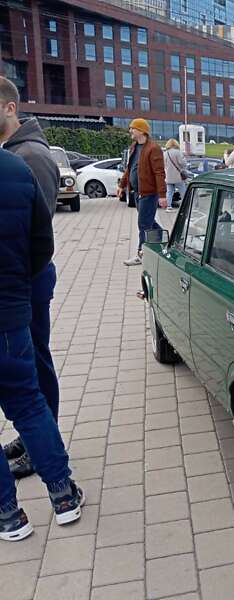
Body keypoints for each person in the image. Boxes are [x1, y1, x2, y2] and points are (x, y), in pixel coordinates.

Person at [0, 148, 84, 541]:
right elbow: (41, 244)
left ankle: (9, 516)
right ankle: (63, 495)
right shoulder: (16, 170)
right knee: (30, 404)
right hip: (11, 315)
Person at [0, 76, 61, 479]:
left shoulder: (30, 157)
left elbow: (37, 231)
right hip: (21, 283)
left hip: (26, 284)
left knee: (36, 364)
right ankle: (34, 437)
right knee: (32, 365)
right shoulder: (16, 151)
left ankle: (44, 443)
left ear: (9, 107)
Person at [117, 118, 167, 266]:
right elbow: (129, 168)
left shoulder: (153, 148)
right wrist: (122, 185)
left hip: (149, 193)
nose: (130, 131)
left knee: (143, 224)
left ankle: (141, 254)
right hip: (137, 192)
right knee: (149, 222)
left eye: (133, 128)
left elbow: (159, 173)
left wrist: (162, 195)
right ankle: (167, 241)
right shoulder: (134, 147)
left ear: (141, 131)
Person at [163, 139, 188, 212]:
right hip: (178, 177)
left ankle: (169, 206)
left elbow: (163, 165)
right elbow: (182, 163)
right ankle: (185, 206)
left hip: (168, 177)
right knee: (183, 191)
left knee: (169, 192)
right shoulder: (178, 152)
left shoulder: (165, 153)